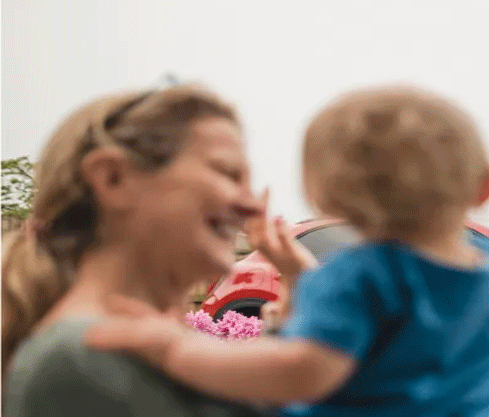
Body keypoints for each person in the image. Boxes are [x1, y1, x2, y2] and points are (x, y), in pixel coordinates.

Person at [86, 84, 489, 417]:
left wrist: (175, 348)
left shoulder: (357, 275)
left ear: (324, 195)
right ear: (483, 187)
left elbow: (304, 371)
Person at [1, 84, 289, 416]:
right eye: (228, 172)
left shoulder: (147, 353)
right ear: (113, 179)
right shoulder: (80, 362)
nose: (253, 207)